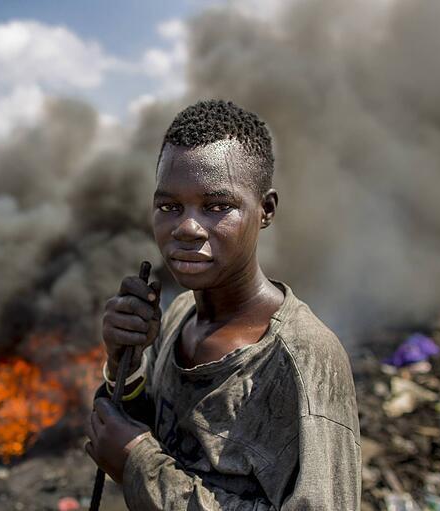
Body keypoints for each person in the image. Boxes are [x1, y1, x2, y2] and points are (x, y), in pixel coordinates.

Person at [85, 100, 361, 509]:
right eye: (168, 207)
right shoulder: (179, 315)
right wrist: (123, 361)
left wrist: (137, 463)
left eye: (217, 207)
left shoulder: (302, 362)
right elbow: (143, 425)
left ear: (265, 210)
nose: (186, 228)